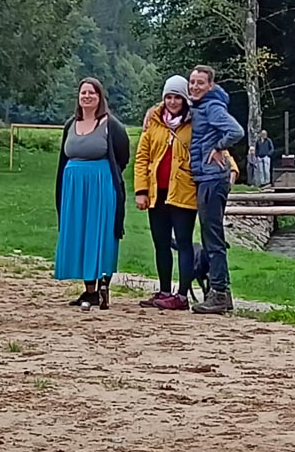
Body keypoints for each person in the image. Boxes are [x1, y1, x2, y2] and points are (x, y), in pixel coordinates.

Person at [55, 78, 131, 310]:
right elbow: (64, 155)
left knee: (101, 232)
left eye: (92, 93)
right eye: (83, 92)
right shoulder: (71, 124)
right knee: (80, 233)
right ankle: (90, 291)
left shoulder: (111, 125)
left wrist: (104, 174)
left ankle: (104, 284)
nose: (87, 96)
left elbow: (123, 155)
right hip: (74, 186)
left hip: (101, 183)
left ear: (100, 97)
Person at [134, 75, 199, 311]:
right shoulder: (154, 121)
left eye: (177, 97)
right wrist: (141, 190)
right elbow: (142, 158)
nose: (172, 102)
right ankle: (164, 290)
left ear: (184, 99)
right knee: (161, 242)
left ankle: (182, 295)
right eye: (169, 97)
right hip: (157, 192)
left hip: (183, 192)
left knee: (183, 242)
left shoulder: (195, 123)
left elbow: (209, 148)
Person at [187, 65, 245, 315]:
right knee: (211, 236)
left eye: (200, 83)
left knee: (213, 238)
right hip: (206, 178)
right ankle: (221, 293)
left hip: (213, 178)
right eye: (192, 82)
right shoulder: (201, 106)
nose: (195, 87)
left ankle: (219, 293)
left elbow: (236, 131)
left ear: (210, 85)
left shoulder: (212, 107)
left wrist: (220, 147)